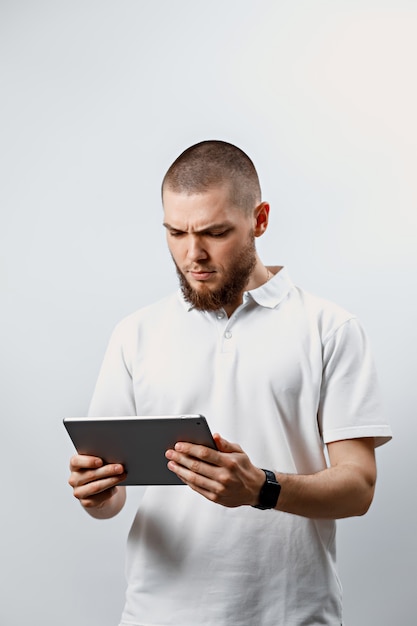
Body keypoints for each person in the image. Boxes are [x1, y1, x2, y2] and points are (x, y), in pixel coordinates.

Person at [69, 140, 392, 626]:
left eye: (215, 232)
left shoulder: (330, 328)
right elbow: (111, 497)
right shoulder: (135, 333)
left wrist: (261, 488)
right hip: (157, 614)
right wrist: (97, 492)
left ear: (259, 220)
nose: (192, 254)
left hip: (294, 614)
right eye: (175, 232)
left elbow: (358, 487)